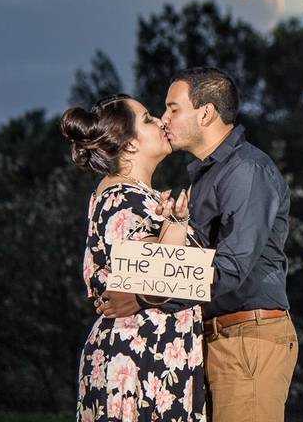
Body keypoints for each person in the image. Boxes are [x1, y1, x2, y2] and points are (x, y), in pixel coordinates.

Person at [101, 68, 298, 422]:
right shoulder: (207, 176)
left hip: (246, 339)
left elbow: (230, 268)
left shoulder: (246, 170)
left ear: (206, 113)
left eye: (173, 108)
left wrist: (145, 295)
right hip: (212, 339)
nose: (164, 119)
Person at [61, 93, 207, 422]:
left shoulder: (142, 196)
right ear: (128, 145)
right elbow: (165, 276)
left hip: (157, 358)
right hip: (137, 360)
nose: (160, 121)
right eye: (147, 119)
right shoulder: (121, 197)